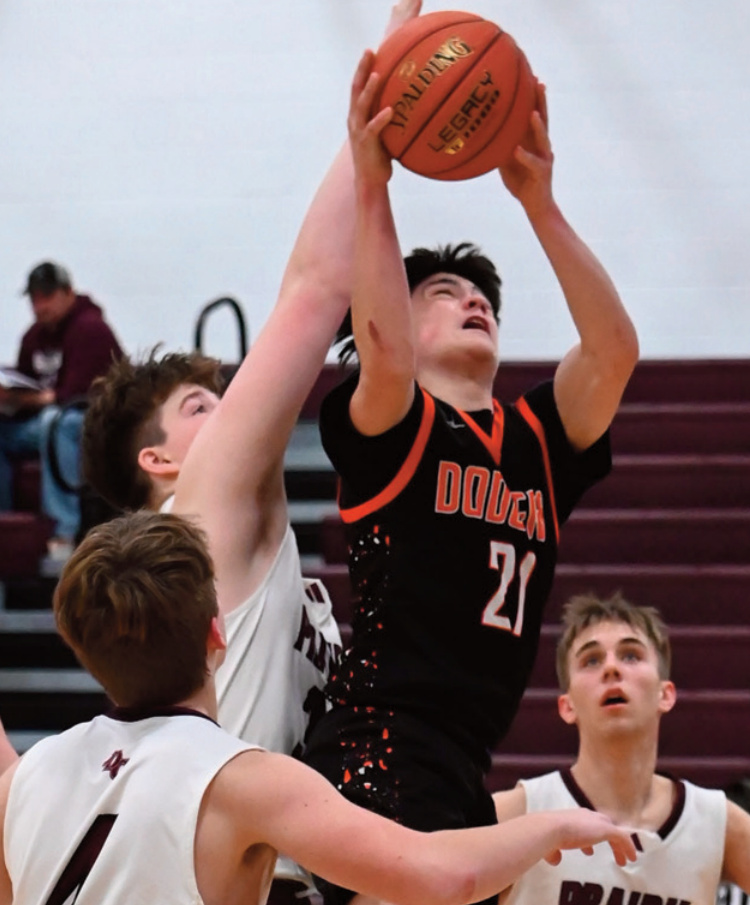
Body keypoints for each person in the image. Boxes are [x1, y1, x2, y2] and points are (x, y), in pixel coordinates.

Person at [80, 5, 422, 900]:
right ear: (159, 464)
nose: (234, 410)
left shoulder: (223, 564)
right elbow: (315, 287)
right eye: (202, 406)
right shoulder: (200, 521)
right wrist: (381, 101)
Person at [302, 45, 640, 905]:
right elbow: (381, 348)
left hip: (462, 762)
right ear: (400, 318)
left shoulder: (538, 440)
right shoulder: (395, 420)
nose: (473, 300)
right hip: (377, 747)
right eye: (444, 292)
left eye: (481, 294)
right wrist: (373, 185)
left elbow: (613, 351)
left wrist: (540, 204)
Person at [0, 511, 638, 905]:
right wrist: (552, 827)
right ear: (217, 633)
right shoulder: (242, 779)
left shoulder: (23, 780)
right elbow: (445, 878)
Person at [492, 592, 750, 903]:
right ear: (567, 706)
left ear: (665, 694)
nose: (611, 669)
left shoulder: (716, 822)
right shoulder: (518, 812)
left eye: (630, 656)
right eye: (591, 660)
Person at [0, 261, 122, 558]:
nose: (39, 306)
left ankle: (62, 531)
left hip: (94, 421)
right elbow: (27, 385)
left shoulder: (92, 329)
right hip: (46, 417)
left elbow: (76, 394)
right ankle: (5, 523)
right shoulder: (33, 337)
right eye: (34, 298)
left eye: (47, 296)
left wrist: (31, 400)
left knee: (56, 422)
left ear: (68, 293)